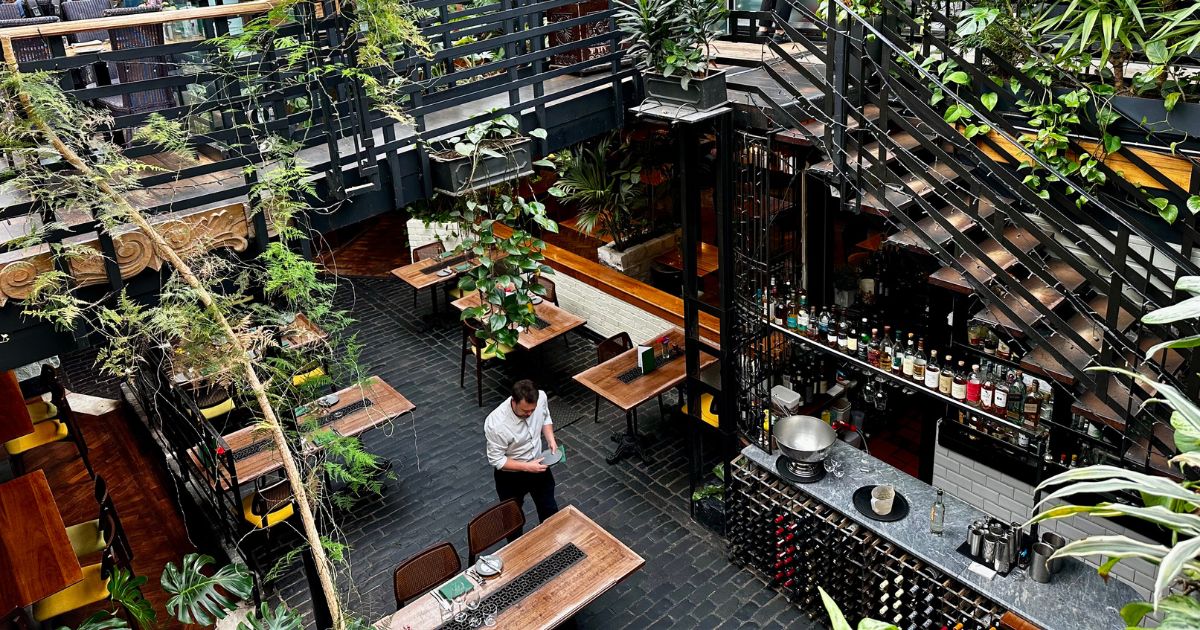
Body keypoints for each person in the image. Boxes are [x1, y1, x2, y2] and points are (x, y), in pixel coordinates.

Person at [484, 379, 560, 539]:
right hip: (511, 476)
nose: (530, 414)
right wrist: (526, 467)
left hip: (538, 465)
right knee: (512, 521)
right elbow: (496, 460)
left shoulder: (541, 398)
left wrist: (550, 439)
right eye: (525, 411)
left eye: (532, 410)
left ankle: (552, 544)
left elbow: (545, 417)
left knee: (549, 509)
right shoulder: (496, 424)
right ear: (513, 401)